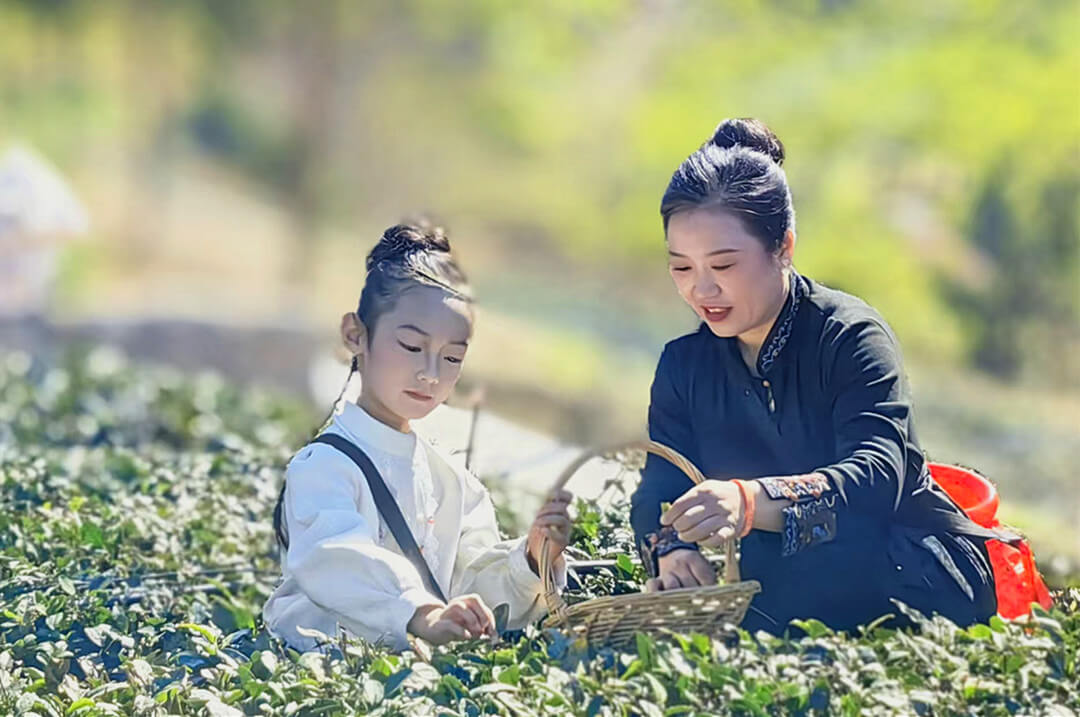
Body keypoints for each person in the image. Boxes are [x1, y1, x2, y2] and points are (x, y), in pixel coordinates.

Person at [630, 119, 999, 634]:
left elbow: (876, 478)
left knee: (804, 588)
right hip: (783, 580)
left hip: (905, 567)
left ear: (783, 246)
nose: (702, 290)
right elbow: (658, 489)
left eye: (723, 265)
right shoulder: (683, 365)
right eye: (682, 268)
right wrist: (673, 551)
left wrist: (749, 501)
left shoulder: (850, 336)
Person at [264, 221, 571, 652]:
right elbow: (334, 556)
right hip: (317, 685)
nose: (430, 373)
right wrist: (421, 614)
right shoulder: (323, 466)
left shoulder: (451, 480)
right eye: (411, 346)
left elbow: (471, 589)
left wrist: (532, 558)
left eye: (451, 357)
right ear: (356, 334)